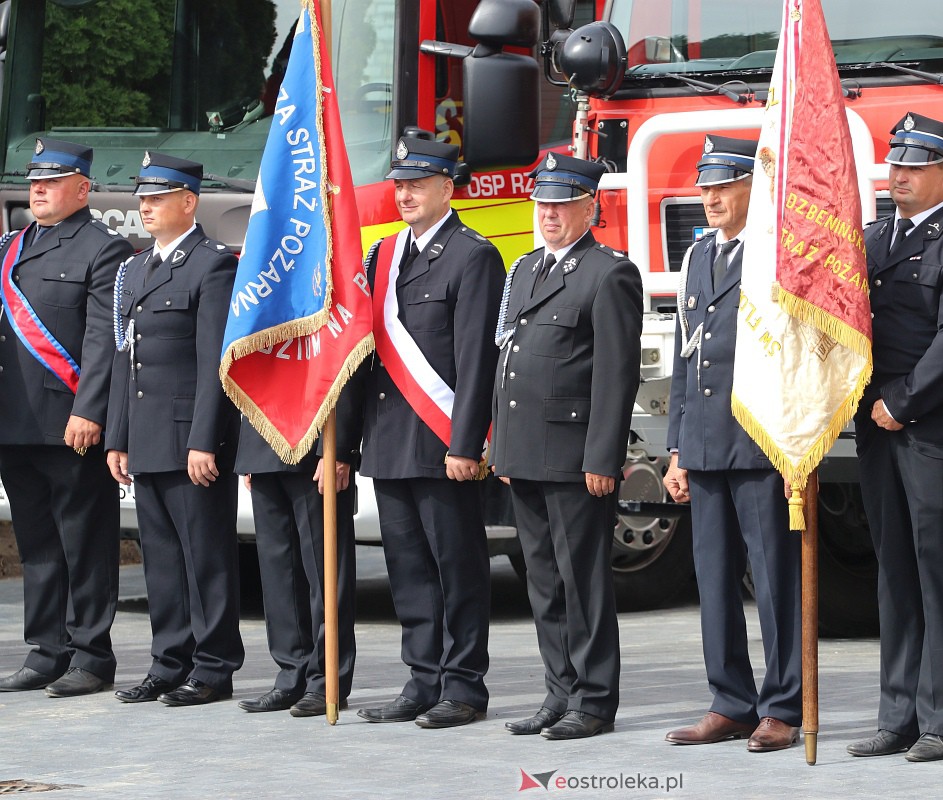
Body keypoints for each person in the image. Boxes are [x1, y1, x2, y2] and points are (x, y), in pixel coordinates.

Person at [846, 112, 943, 762]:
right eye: (895, 164)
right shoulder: (873, 238)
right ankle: (898, 713)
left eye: (913, 165)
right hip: (876, 430)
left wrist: (901, 403)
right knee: (896, 574)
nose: (898, 175)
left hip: (932, 429)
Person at [353, 136, 503, 729]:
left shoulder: (472, 255)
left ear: (448, 187)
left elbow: (474, 360)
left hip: (442, 443)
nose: (406, 193)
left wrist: (466, 443)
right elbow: (366, 355)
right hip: (390, 438)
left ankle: (463, 687)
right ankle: (422, 679)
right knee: (408, 569)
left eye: (418, 183)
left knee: (457, 567)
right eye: (400, 184)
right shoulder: (384, 254)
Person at [491, 153, 642, 740]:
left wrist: (602, 457)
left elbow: (614, 374)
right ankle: (559, 691)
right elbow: (509, 363)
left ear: (589, 207)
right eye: (543, 203)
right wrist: (502, 450)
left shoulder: (608, 273)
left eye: (561, 202)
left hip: (576, 457)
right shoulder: (527, 269)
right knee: (543, 579)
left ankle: (595, 700)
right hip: (526, 452)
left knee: (583, 583)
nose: (549, 213)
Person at [661, 135, 803, 753]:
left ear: (755, 186)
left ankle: (783, 704)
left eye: (724, 185)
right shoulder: (698, 258)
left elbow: (800, 355)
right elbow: (685, 355)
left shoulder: (777, 256)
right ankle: (731, 700)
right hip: (706, 442)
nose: (711, 197)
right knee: (713, 579)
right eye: (706, 186)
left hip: (761, 438)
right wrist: (676, 448)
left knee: (773, 579)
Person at [105, 152, 244, 706]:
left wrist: (204, 440)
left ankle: (212, 667)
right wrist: (118, 435)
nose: (146, 205)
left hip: (190, 438)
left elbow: (216, 362)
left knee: (205, 555)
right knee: (161, 558)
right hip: (147, 436)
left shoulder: (212, 265)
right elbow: (124, 358)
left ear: (189, 202)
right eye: (143, 197)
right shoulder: (136, 268)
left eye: (158, 197)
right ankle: (169, 661)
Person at [0, 138, 133, 697]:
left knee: (85, 541)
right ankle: (45, 649)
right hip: (14, 422)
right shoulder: (11, 246)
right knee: (37, 542)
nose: (38, 191)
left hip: (69, 422)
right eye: (34, 182)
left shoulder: (105, 249)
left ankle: (91, 654)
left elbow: (105, 339)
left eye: (51, 183)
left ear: (82, 188)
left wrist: (90, 410)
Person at [234, 418, 357, 717]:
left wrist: (339, 449)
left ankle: (327, 681)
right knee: (278, 576)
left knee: (325, 574)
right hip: (265, 441)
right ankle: (292, 675)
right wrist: (251, 451)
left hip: (316, 441)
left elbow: (344, 376)